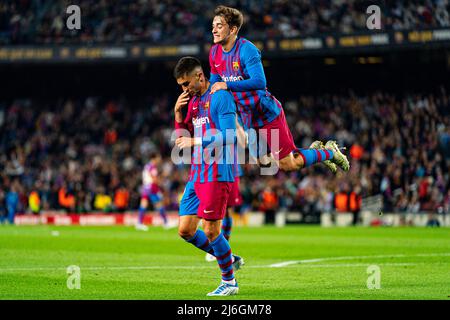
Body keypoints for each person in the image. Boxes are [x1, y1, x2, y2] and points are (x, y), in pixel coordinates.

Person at [209, 5, 349, 174]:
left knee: (289, 165)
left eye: (219, 26)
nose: (214, 30)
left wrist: (227, 85)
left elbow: (260, 82)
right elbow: (215, 85)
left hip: (265, 113)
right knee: (265, 164)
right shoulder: (214, 52)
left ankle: (329, 152)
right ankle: (313, 150)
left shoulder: (246, 49)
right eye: (213, 26)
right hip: (247, 117)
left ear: (232, 29)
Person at [173, 56, 243, 296]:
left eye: (185, 84)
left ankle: (230, 283)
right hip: (197, 172)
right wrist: (178, 116)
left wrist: (195, 140)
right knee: (185, 229)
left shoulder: (220, 96)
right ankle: (228, 257)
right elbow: (182, 140)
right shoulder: (193, 103)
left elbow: (230, 135)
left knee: (212, 230)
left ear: (199, 76)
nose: (184, 89)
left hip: (217, 170)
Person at [136, 153, 169, 231]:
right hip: (151, 187)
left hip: (146, 187)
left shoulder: (147, 166)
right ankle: (165, 222)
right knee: (158, 204)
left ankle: (139, 223)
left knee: (145, 204)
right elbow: (154, 179)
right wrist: (163, 176)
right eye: (158, 158)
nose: (159, 159)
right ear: (154, 158)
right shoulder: (152, 167)